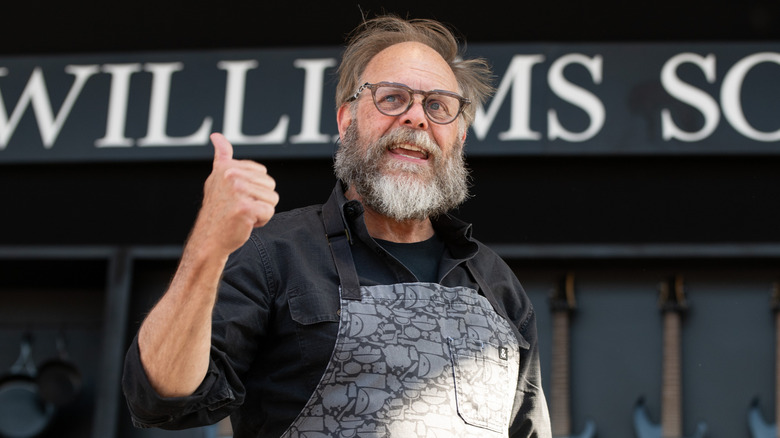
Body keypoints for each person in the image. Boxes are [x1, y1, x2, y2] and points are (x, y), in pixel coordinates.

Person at [122, 14, 552, 438]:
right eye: (393, 98)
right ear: (347, 121)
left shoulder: (497, 286)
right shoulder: (273, 254)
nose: (417, 118)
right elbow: (160, 398)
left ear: (458, 138)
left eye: (437, 106)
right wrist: (207, 249)